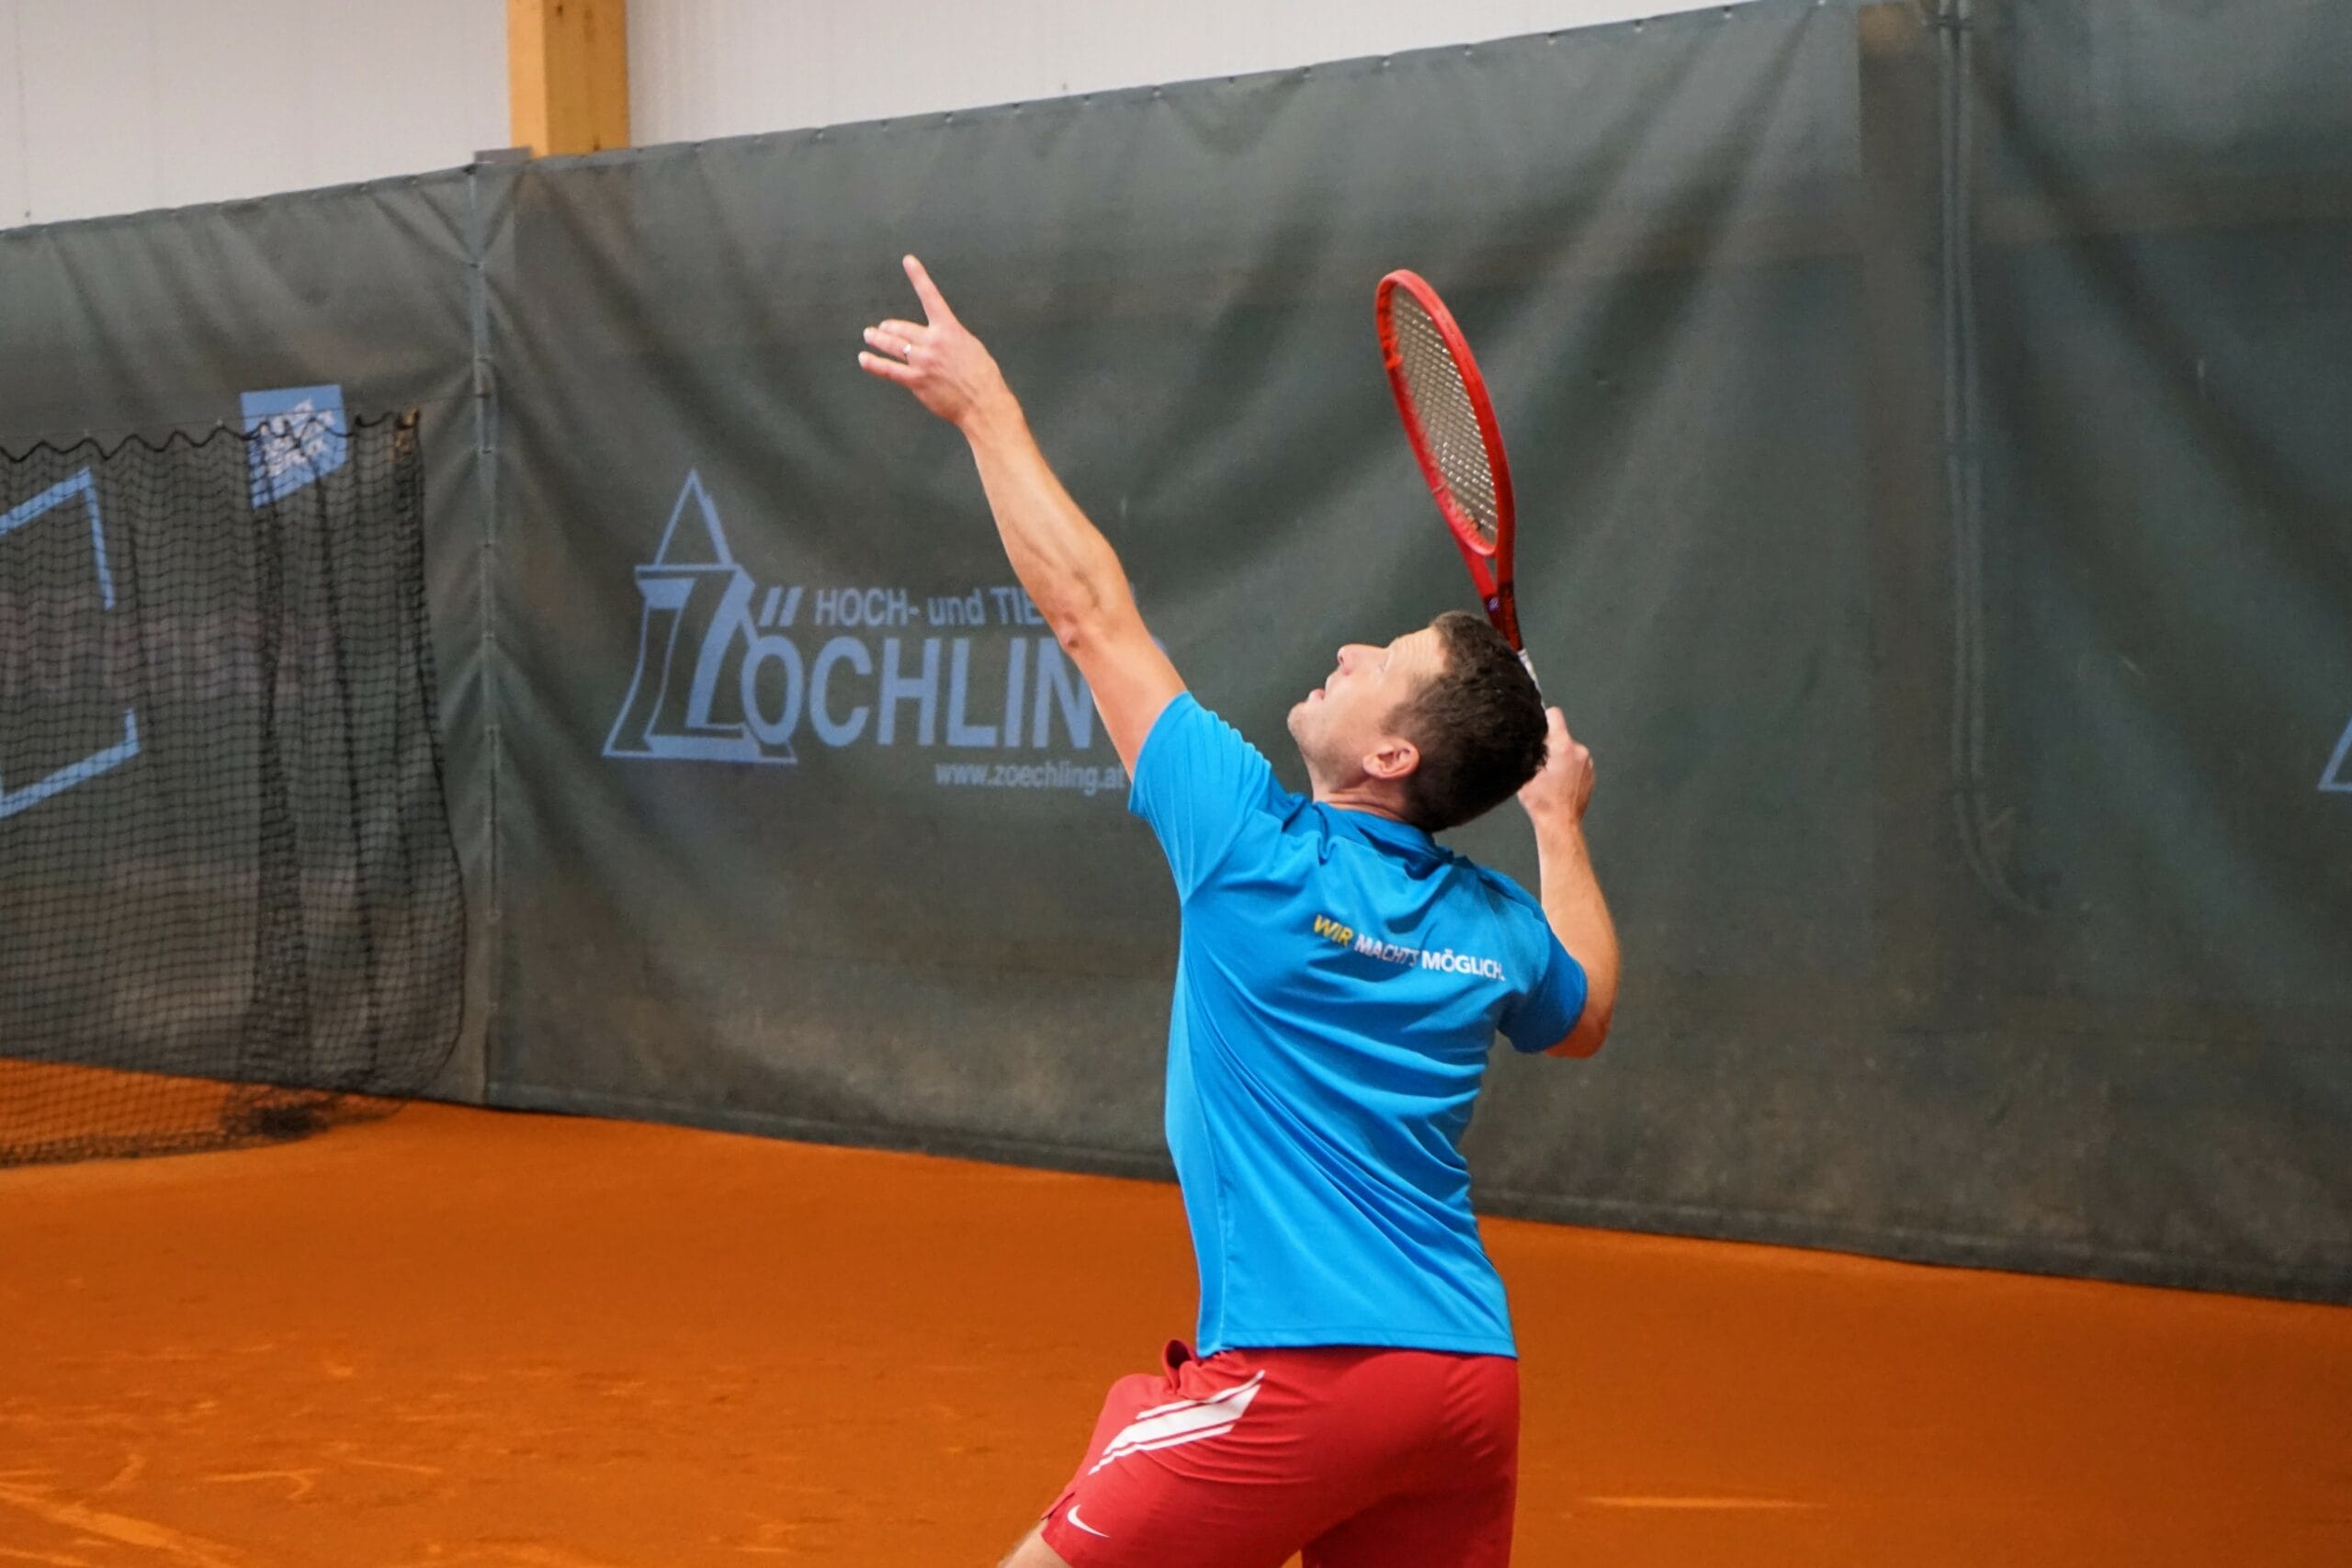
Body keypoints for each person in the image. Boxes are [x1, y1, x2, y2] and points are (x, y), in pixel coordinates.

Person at [860, 256, 1620, 1568]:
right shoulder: (1496, 928)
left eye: (1384, 662)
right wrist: (1559, 823)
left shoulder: (1249, 848)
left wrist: (985, 408)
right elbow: (1587, 1011)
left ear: (1392, 757)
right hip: (1464, 1386)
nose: (1351, 651)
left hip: (1300, 1378)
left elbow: (1089, 614)